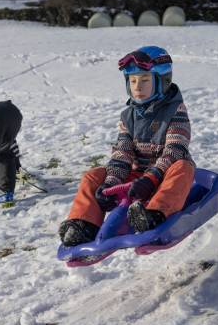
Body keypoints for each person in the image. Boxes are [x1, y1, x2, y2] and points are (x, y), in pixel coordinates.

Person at [59, 46, 195, 247]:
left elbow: (175, 150)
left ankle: (154, 215)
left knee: (183, 167)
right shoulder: (128, 116)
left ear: (162, 81)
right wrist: (110, 184)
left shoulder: (176, 111)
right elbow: (122, 153)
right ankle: (84, 224)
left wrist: (151, 178)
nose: (137, 87)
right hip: (137, 178)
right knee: (93, 176)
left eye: (145, 80)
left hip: (164, 176)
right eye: (133, 81)